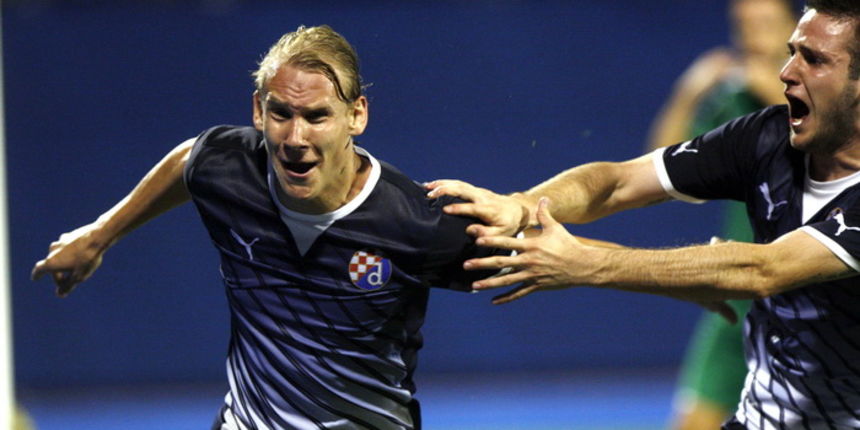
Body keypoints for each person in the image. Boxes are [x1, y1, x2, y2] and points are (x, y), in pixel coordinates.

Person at [31, 25, 504, 430]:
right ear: (258, 111)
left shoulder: (416, 221)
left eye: (317, 116)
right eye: (281, 113)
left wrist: (569, 253)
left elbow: (530, 257)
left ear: (356, 116)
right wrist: (99, 234)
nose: (295, 138)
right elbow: (189, 160)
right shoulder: (229, 169)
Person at [426, 1, 860, 428]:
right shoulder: (765, 135)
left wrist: (586, 265)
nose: (787, 72)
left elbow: (764, 270)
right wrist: (519, 205)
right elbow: (618, 182)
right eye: (793, 53)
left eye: (815, 60)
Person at [646, 1, 796, 428]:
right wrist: (688, 90)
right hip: (739, 295)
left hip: (806, 294)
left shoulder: (830, 97)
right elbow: (661, 163)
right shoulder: (732, 98)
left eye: (766, 24)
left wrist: (770, 86)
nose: (753, 37)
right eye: (743, 25)